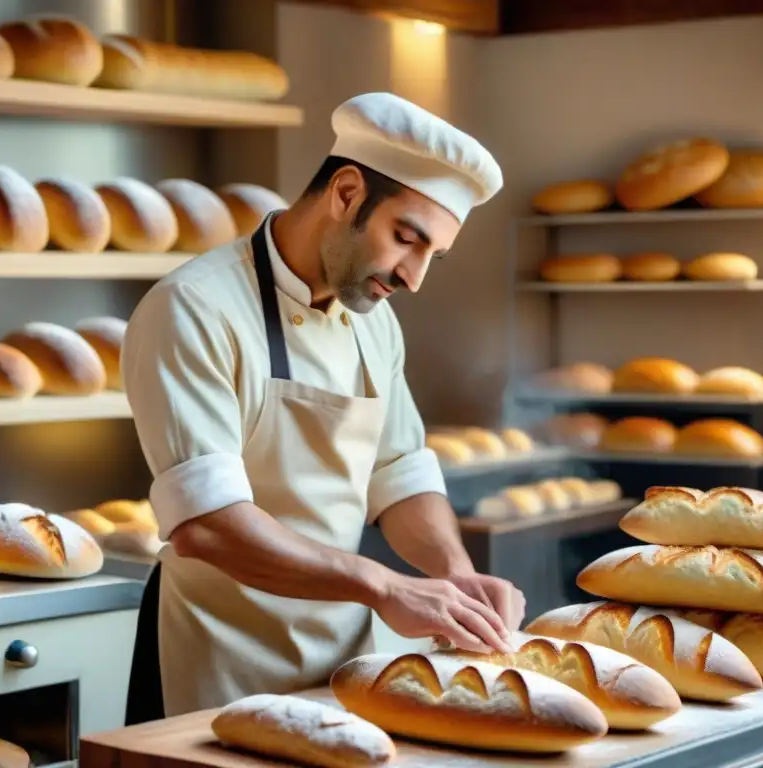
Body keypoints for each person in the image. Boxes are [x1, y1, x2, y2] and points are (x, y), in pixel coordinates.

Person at [122, 91, 524, 723]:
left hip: (341, 663)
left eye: (432, 257)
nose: (413, 277)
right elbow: (207, 525)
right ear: (345, 192)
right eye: (406, 239)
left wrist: (454, 571)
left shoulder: (373, 319)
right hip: (216, 661)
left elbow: (399, 472)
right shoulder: (194, 308)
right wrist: (384, 585)